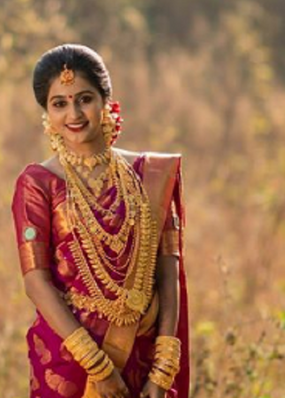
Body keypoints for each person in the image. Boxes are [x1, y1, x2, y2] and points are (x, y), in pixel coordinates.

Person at [11, 44, 189, 398]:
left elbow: (168, 271)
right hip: (71, 362)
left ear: (106, 100)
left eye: (85, 98)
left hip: (144, 355)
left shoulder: (149, 175)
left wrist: (164, 367)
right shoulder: (38, 183)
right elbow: (36, 282)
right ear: (46, 112)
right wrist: (97, 365)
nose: (74, 113)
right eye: (59, 103)